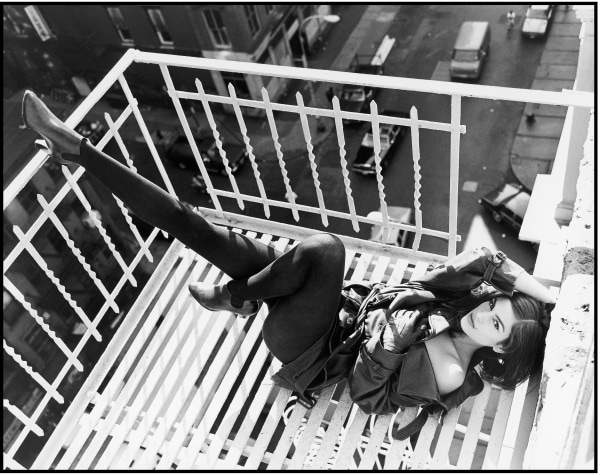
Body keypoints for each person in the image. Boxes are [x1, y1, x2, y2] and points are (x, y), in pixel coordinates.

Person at [21, 90, 555, 421]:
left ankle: (238, 297)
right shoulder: (463, 303)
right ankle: (76, 149)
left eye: (498, 326)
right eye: (497, 307)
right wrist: (544, 295)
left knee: (325, 248)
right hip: (325, 303)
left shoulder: (452, 374)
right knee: (194, 224)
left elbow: (370, 393)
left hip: (312, 347)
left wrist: (400, 328)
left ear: (500, 350)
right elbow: (488, 259)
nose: (487, 314)